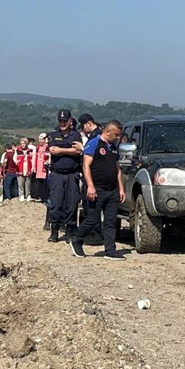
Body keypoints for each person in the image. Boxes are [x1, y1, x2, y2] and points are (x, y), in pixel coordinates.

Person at [70, 121, 126, 259]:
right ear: (107, 132)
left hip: (112, 189)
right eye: (116, 134)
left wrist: (121, 189)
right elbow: (86, 166)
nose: (118, 137)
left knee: (110, 221)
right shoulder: (94, 143)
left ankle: (110, 250)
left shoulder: (113, 147)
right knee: (92, 220)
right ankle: (77, 240)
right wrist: (90, 186)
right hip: (97, 189)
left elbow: (117, 169)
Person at [47, 109, 83, 243]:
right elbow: (52, 150)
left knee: (72, 203)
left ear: (70, 121)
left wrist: (61, 150)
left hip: (72, 174)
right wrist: (70, 150)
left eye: (64, 121)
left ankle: (70, 231)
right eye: (60, 121)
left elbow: (78, 151)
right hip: (57, 174)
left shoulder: (76, 135)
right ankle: (54, 231)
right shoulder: (54, 134)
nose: (62, 123)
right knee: (56, 203)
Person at [31, 133, 50, 205]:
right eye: (39, 139)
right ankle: (41, 197)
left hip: (44, 168)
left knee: (45, 184)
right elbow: (34, 158)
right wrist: (34, 167)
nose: (40, 141)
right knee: (39, 183)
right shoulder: (37, 148)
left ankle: (45, 198)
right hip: (38, 167)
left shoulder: (47, 147)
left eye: (42, 139)